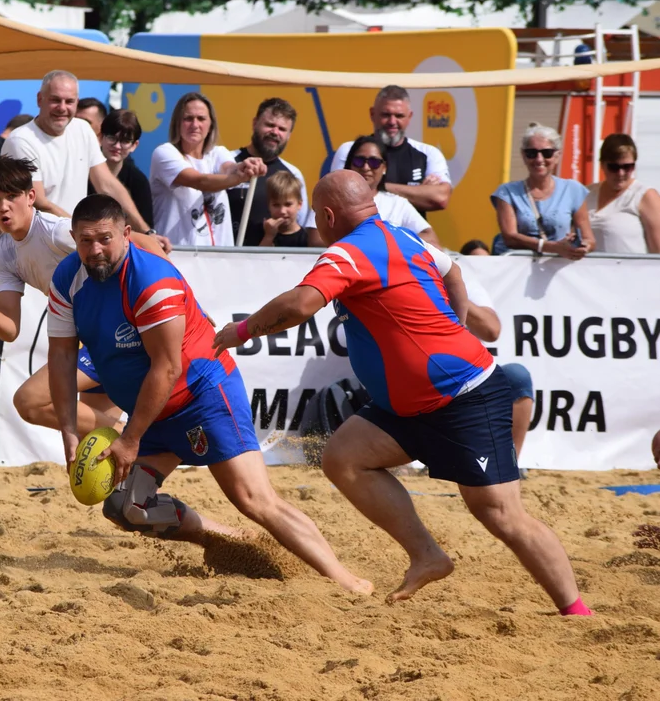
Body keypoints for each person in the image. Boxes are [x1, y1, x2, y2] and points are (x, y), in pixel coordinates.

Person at [213, 171, 590, 616]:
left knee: (500, 514)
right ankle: (427, 555)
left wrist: (241, 331)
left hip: (462, 395)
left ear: (330, 215)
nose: (316, 223)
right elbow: (453, 270)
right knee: (343, 458)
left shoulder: (349, 251)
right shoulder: (403, 237)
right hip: (407, 404)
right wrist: (452, 316)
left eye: (317, 215)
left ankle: (575, 610)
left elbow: (300, 305)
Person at [46, 193, 373, 594]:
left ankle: (347, 582)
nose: (94, 250)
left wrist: (131, 439)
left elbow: (167, 368)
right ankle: (228, 541)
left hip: (202, 393)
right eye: (84, 241)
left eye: (104, 238)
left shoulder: (150, 280)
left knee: (254, 499)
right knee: (126, 508)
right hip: (153, 410)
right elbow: (61, 357)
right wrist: (68, 431)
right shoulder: (67, 278)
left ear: (127, 234)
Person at [0, 156, 169, 434]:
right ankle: (132, 437)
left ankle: (135, 434)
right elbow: (10, 330)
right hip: (87, 338)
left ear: (31, 197)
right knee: (98, 445)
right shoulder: (4, 252)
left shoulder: (56, 232)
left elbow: (143, 241)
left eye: (11, 196)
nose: (3, 206)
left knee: (28, 401)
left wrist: (183, 294)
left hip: (116, 333)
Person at [1, 71, 150, 230]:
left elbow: (107, 184)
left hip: (73, 242)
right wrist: (86, 232)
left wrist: (146, 231)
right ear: (39, 99)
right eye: (55, 100)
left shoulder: (83, 129)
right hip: (32, 249)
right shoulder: (21, 141)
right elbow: (38, 203)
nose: (62, 108)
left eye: (69, 101)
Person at [149, 92, 265, 247]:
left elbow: (230, 169)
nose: (195, 125)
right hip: (176, 255)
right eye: (188, 118)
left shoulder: (218, 153)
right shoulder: (165, 152)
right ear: (177, 123)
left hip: (218, 260)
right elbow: (199, 181)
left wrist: (245, 167)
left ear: (211, 124)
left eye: (201, 118)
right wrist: (240, 177)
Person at [329, 85, 451, 217]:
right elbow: (338, 196)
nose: (392, 121)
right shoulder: (349, 150)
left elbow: (440, 198)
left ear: (409, 117)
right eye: (386, 115)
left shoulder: (428, 154)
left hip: (410, 235)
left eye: (399, 116)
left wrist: (378, 186)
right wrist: (419, 192)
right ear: (372, 114)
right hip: (363, 234)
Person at [454, 261, 535, 458]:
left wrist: (452, 289)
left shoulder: (459, 279)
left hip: (468, 374)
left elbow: (491, 330)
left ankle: (510, 461)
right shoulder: (406, 283)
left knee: (517, 376)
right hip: (427, 374)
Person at [309, 135, 439, 247]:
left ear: (384, 168)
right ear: (349, 164)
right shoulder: (329, 195)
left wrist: (384, 241)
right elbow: (315, 239)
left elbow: (431, 238)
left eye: (374, 162)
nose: (366, 167)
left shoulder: (398, 204)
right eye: (359, 160)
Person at [491, 124, 594, 258]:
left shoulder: (573, 190)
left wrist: (582, 246)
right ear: (523, 156)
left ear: (557, 156)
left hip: (558, 271)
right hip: (516, 272)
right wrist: (552, 247)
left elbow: (589, 239)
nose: (539, 159)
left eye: (547, 153)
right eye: (532, 153)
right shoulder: (507, 192)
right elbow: (510, 237)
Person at [226, 98, 308, 247]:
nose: (275, 132)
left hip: (268, 265)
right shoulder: (227, 162)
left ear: (289, 134)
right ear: (254, 123)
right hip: (221, 260)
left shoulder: (293, 174)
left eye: (282, 129)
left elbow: (297, 224)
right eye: (269, 125)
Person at [586, 133, 660, 253]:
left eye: (627, 167)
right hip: (587, 271)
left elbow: (658, 252)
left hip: (632, 271)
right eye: (614, 167)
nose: (621, 173)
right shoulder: (586, 193)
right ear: (602, 165)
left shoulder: (645, 195)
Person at [87, 109, 153, 228]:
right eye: (112, 138)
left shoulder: (139, 181)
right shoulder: (83, 172)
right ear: (100, 137)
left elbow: (145, 227)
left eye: (125, 141)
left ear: (134, 145)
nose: (117, 146)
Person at [258, 171, 306, 247]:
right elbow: (256, 258)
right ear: (268, 206)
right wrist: (269, 236)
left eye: (288, 204)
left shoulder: (306, 239)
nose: (282, 211)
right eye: (276, 205)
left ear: (299, 204)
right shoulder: (259, 233)